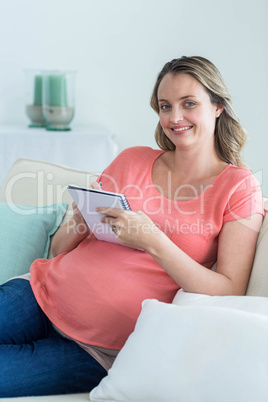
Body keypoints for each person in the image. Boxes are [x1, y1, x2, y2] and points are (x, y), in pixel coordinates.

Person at [0, 56, 264, 397]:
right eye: (165, 106)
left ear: (217, 107)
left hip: (95, 353)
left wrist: (153, 240)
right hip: (38, 295)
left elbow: (230, 290)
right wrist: (80, 220)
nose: (175, 117)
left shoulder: (239, 188)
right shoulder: (132, 159)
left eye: (189, 104)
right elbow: (58, 250)